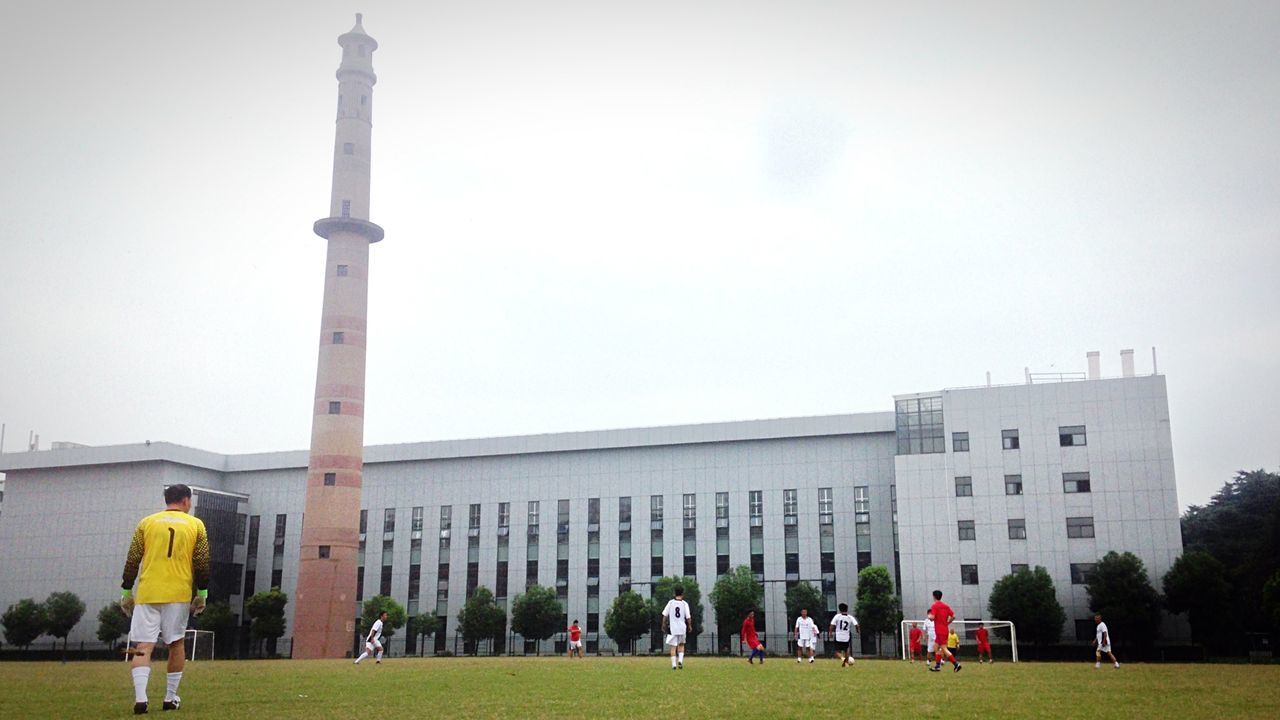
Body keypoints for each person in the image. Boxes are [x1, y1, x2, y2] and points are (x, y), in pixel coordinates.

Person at [118, 484, 210, 715]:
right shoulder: (196, 525)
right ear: (186, 501)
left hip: (148, 592)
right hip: (178, 594)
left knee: (143, 647)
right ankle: (170, 698)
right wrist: (202, 593)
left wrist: (127, 592)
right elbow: (201, 563)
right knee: (176, 643)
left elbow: (133, 560)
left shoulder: (147, 523)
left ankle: (141, 699)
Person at [928, 590, 961, 673]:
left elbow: (932, 617)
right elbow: (953, 616)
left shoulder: (935, 606)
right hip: (945, 630)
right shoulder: (945, 606)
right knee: (936, 647)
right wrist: (947, 623)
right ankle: (937, 666)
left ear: (934, 596)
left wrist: (929, 616)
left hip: (939, 631)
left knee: (944, 648)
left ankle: (956, 664)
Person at [661, 586, 693, 670]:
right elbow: (688, 617)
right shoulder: (684, 603)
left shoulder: (671, 603)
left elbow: (665, 615)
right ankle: (680, 661)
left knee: (673, 647)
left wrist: (663, 624)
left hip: (673, 628)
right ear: (683, 594)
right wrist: (689, 625)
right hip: (682, 628)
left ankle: (674, 665)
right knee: (681, 645)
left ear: (674, 594)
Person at [828, 603, 859, 667]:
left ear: (839, 609)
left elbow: (832, 625)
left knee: (837, 651)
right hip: (846, 636)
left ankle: (843, 659)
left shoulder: (837, 616)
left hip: (839, 636)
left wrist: (830, 633)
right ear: (847, 609)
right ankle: (846, 663)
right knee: (846, 650)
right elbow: (857, 625)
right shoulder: (850, 617)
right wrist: (857, 631)